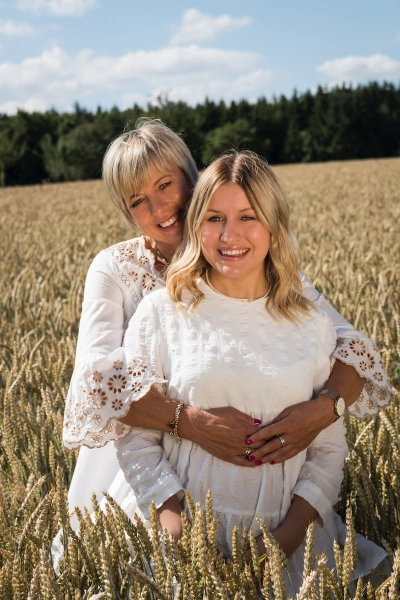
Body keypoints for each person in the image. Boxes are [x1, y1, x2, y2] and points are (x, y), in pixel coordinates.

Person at [62, 119, 393, 523]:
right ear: (126, 212)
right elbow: (96, 387)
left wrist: (324, 410)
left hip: (262, 485)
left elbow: (349, 348)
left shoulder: (246, 254)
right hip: (139, 468)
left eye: (166, 185)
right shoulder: (115, 270)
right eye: (137, 201)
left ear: (194, 177)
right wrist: (191, 424)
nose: (159, 208)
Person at [115, 151, 387, 594]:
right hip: (177, 549)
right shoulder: (160, 312)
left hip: (288, 551)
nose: (229, 235)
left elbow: (327, 449)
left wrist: (289, 536)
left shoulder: (310, 323)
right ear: (196, 224)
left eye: (248, 217)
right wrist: (176, 527)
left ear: (274, 224)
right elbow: (135, 435)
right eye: (214, 217)